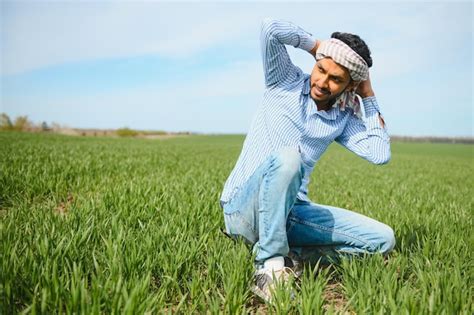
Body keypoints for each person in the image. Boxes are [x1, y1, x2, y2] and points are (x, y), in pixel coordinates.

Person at [219, 18, 395, 302]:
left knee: (383, 239)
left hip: (291, 214)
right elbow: (270, 28)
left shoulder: (342, 118)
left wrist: (368, 95)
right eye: (321, 69)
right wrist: (316, 46)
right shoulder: (283, 80)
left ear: (350, 85)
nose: (322, 82)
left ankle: (292, 254)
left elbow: (379, 154)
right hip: (243, 211)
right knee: (290, 158)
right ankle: (271, 267)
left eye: (336, 79)